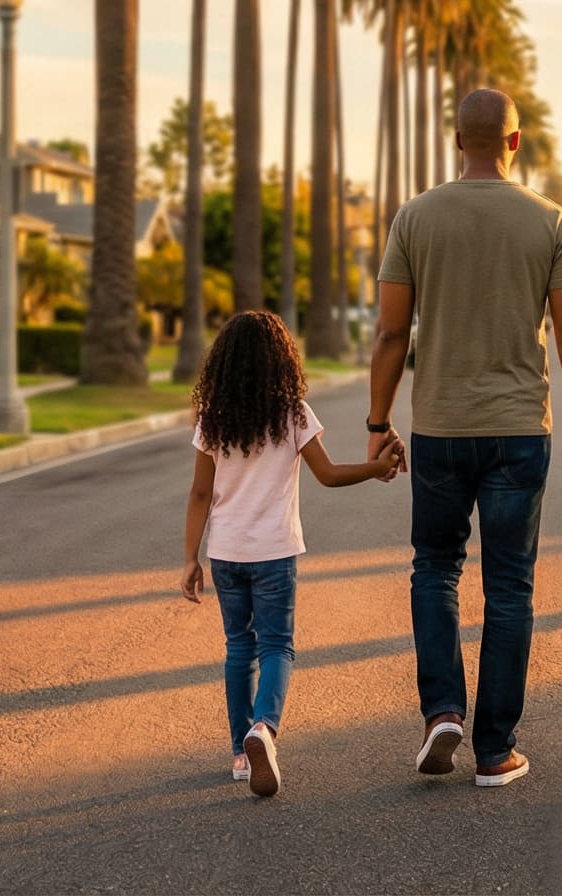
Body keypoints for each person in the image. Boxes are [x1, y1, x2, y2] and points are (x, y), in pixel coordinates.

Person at [367, 88, 562, 789]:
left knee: (435, 568)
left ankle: (442, 710)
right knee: (510, 587)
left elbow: (388, 332)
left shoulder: (415, 216)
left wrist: (379, 424)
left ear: (455, 140)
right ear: (513, 142)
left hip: (438, 427)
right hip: (517, 430)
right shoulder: (548, 220)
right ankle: (495, 749)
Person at [180, 311, 404, 799]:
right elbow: (328, 475)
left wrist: (190, 558)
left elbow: (200, 494)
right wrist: (375, 467)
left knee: (239, 647)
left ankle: (242, 753)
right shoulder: (293, 412)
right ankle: (264, 728)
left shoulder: (212, 418)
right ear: (281, 360)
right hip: (274, 553)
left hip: (226, 553)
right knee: (277, 645)